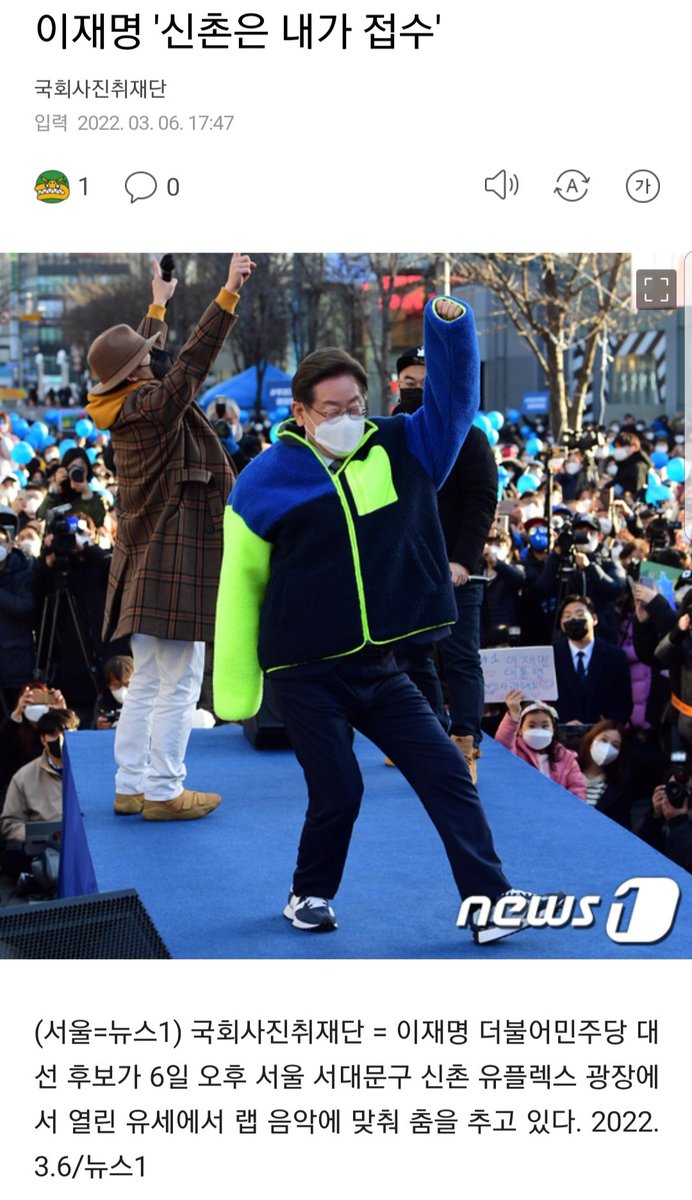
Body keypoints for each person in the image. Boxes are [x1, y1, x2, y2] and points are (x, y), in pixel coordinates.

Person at [214, 296, 560, 944]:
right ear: (299, 413)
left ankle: (489, 899)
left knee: (446, 770)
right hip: (304, 672)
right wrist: (236, 686)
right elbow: (240, 584)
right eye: (331, 410)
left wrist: (450, 330)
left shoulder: (400, 446)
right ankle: (308, 894)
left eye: (354, 406)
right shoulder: (264, 480)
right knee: (340, 788)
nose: (347, 418)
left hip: (380, 665)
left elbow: (455, 406)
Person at [85, 252, 256, 820]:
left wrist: (158, 302)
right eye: (142, 358)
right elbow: (189, 363)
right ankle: (164, 791)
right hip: (173, 565)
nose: (150, 357)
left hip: (143, 568)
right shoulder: (152, 406)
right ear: (136, 373)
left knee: (149, 684)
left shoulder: (121, 407)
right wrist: (226, 293)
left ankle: (131, 785)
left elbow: (151, 355)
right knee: (180, 684)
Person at [392, 344, 499, 779]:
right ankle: (430, 736)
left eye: (425, 382)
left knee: (460, 659)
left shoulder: (468, 436)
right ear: (396, 383)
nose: (416, 389)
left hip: (458, 571)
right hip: (405, 567)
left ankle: (465, 743)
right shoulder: (387, 433)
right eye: (409, 382)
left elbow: (481, 502)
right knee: (412, 657)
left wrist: (461, 559)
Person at [0, 707, 78, 881]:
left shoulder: (94, 769)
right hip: (49, 850)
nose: (60, 740)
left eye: (66, 734)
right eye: (53, 735)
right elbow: (10, 822)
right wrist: (37, 836)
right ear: (43, 739)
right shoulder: (24, 777)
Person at [553, 595, 633, 725]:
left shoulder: (616, 657)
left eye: (580, 614)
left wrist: (605, 726)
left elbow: (624, 702)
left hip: (601, 735)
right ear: (562, 624)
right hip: (560, 735)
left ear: (594, 619)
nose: (573, 619)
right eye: (567, 616)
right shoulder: (551, 656)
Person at [495, 692, 586, 799]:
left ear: (553, 729)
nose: (538, 730)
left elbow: (578, 789)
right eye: (531, 725)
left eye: (544, 726)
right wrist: (513, 715)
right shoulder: (514, 754)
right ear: (520, 729)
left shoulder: (567, 759)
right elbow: (502, 744)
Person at [576, 720, 630, 823]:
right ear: (591, 739)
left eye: (615, 745)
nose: (608, 748)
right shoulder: (566, 771)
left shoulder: (618, 787)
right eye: (604, 740)